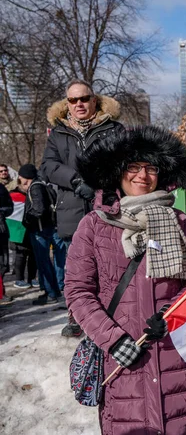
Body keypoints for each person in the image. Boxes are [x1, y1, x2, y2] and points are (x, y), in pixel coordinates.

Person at [64, 125, 186, 435]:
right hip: (122, 360)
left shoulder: (180, 222)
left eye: (151, 168)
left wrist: (175, 315)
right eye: (134, 167)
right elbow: (78, 293)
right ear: (117, 173)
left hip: (173, 355)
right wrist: (113, 339)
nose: (143, 175)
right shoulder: (94, 227)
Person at [41, 79, 125, 336]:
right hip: (72, 210)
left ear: (94, 100)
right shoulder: (58, 133)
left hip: (108, 206)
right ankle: (77, 317)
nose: (79, 104)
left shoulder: (114, 129)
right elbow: (48, 166)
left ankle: (114, 312)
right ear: (67, 104)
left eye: (84, 98)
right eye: (73, 100)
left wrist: (98, 183)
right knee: (75, 268)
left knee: (110, 264)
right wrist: (76, 180)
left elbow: (124, 162)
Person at [18, 164, 66, 305]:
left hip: (40, 230)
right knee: (48, 262)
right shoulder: (41, 184)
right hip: (48, 228)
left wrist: (27, 220)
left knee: (43, 263)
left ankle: (51, 293)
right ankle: (53, 291)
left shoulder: (35, 187)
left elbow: (39, 209)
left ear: (25, 177)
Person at [8, 184, 39, 289]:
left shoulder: (33, 194)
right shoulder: (13, 196)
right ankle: (19, 279)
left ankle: (32, 278)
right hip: (18, 231)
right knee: (21, 255)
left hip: (31, 229)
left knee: (33, 255)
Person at [0, 182, 14, 305]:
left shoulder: (1, 188)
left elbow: (9, 207)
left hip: (1, 231)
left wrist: (1, 212)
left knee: (3, 264)